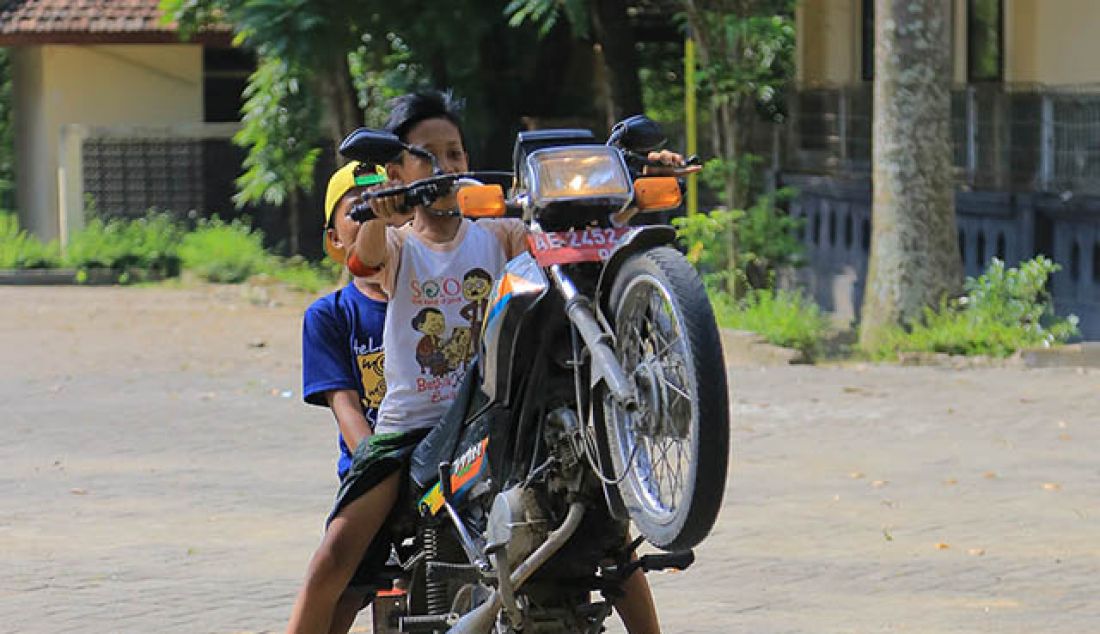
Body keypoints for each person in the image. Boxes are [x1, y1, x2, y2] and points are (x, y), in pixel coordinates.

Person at [286, 90, 663, 634]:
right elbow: (364, 254)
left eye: (456, 153)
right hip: (412, 431)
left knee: (608, 534)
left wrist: (632, 181)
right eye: (427, 155)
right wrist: (378, 201)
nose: (446, 166)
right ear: (397, 170)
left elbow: (569, 234)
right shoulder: (397, 244)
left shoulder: (499, 233)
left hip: (495, 414)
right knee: (335, 556)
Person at [299, 160, 390, 633]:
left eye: (387, 205)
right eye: (359, 211)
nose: (375, 217)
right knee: (337, 569)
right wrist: (379, 460)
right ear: (335, 239)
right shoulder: (330, 315)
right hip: (376, 465)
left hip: (456, 460)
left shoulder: (435, 294)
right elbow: (346, 408)